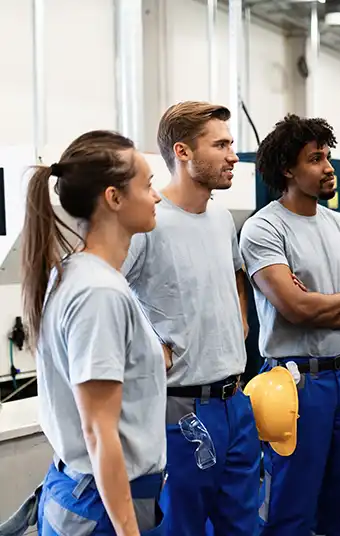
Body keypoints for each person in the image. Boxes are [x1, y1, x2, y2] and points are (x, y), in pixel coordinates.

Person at [239, 113, 340, 536]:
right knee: (291, 506)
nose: (328, 167)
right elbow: (295, 310)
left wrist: (320, 302)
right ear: (288, 169)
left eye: (328, 156)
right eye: (316, 159)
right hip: (295, 384)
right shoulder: (264, 228)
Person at [121, 101, 260, 535]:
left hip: (236, 403)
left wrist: (240, 319)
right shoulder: (148, 221)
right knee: (180, 527)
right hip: (180, 409)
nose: (233, 155)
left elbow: (237, 272)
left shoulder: (221, 217)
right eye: (221, 145)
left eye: (231, 144)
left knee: (244, 525)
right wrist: (148, 342)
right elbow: (108, 291)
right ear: (182, 152)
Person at [20, 131, 166, 535]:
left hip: (95, 492)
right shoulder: (98, 292)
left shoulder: (77, 274)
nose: (156, 197)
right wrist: (127, 530)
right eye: (148, 185)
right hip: (104, 506)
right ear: (114, 198)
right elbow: (99, 433)